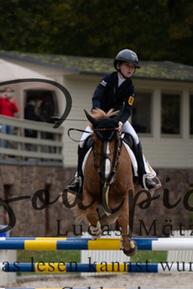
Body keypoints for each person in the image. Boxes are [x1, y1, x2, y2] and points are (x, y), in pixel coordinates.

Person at [66, 49, 160, 193]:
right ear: (118, 66)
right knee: (82, 142)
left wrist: (121, 122)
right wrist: (99, 116)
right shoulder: (107, 80)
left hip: (118, 120)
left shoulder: (130, 87)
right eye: (127, 65)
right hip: (101, 119)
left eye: (133, 67)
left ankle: (143, 175)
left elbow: (127, 109)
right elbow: (96, 98)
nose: (130, 69)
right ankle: (79, 178)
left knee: (135, 140)